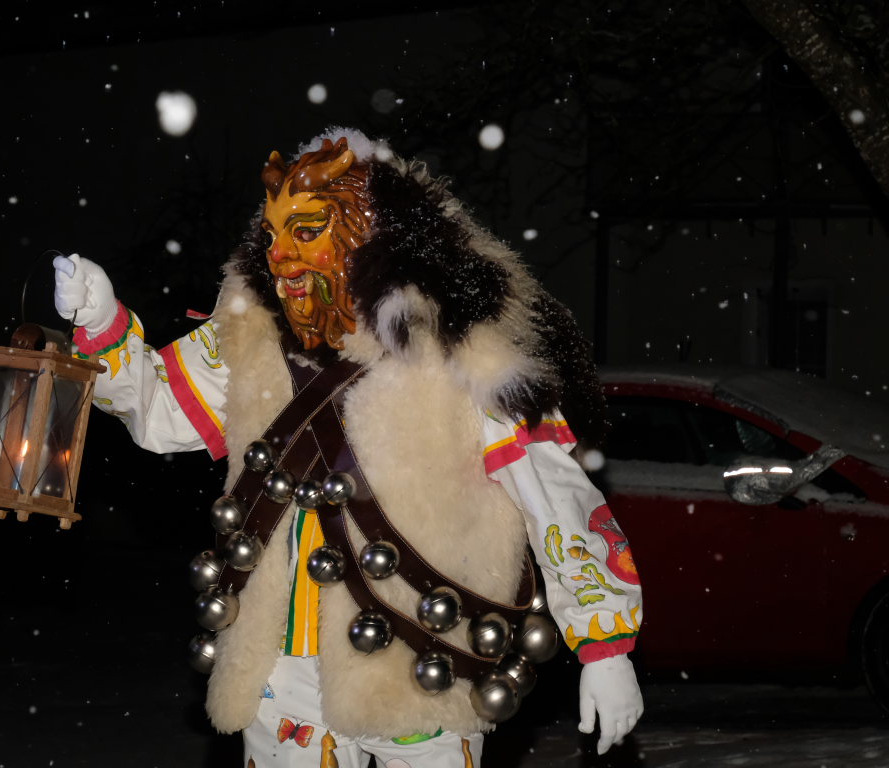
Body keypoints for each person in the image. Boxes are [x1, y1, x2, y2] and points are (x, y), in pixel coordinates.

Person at [53, 128, 644, 768]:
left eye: (306, 231)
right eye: (272, 236)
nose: (280, 257)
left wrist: (605, 644)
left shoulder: (465, 341)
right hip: (279, 671)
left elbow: (553, 493)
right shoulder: (250, 334)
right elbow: (160, 411)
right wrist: (102, 323)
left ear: (371, 233)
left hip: (421, 666)